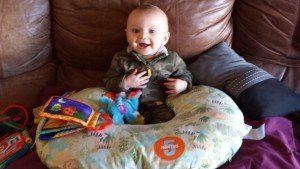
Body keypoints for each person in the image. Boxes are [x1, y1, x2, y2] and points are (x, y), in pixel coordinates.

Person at [104, 4, 192, 124]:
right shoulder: (121, 58)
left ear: (165, 38)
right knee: (115, 120)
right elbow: (108, 82)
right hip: (129, 106)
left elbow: (186, 75)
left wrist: (183, 84)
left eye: (152, 31)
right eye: (135, 30)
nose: (143, 36)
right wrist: (126, 82)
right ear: (127, 34)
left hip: (160, 106)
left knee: (166, 121)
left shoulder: (172, 59)